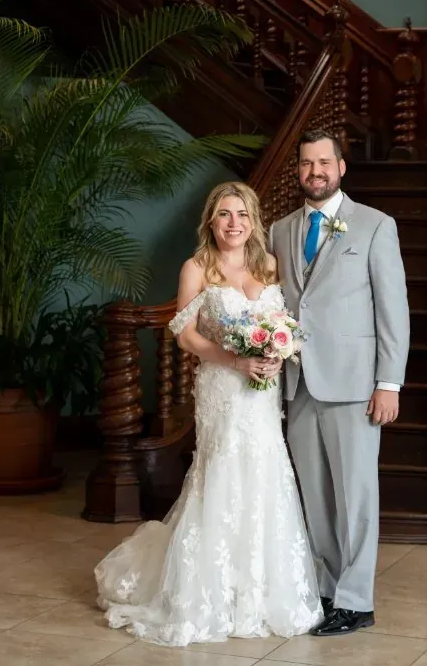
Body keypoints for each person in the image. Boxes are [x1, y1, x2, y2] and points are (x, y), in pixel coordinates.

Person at [95, 181, 323, 647]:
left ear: (253, 221)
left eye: (241, 214)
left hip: (262, 394)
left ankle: (258, 594)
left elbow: (282, 326)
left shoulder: (271, 265)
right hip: (223, 387)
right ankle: (208, 594)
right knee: (220, 473)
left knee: (264, 472)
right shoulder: (197, 267)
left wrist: (277, 352)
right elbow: (185, 334)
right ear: (211, 222)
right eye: (224, 214)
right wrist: (235, 360)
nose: (233, 223)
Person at [269, 129, 410, 637]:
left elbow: (393, 310)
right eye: (307, 164)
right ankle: (328, 590)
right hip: (298, 381)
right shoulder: (279, 230)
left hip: (354, 384)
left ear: (342, 167)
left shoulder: (375, 226)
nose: (316, 172)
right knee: (316, 495)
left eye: (324, 162)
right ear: (299, 171)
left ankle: (357, 599)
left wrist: (388, 382)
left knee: (356, 495)